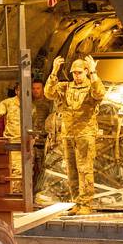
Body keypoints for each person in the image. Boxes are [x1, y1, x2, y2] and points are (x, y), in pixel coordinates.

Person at [44, 54, 106, 213]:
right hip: (68, 134)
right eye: (74, 73)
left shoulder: (92, 86)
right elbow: (48, 93)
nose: (76, 75)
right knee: (71, 170)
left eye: (79, 72)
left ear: (85, 72)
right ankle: (76, 203)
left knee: (84, 170)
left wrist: (94, 73)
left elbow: (99, 94)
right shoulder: (66, 87)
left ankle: (86, 204)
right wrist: (54, 71)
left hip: (85, 134)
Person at [0, 84, 24, 193]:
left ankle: (23, 194)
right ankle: (15, 194)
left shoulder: (34, 104)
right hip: (14, 141)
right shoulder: (8, 103)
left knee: (29, 171)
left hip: (30, 142)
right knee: (16, 170)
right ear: (16, 91)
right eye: (20, 90)